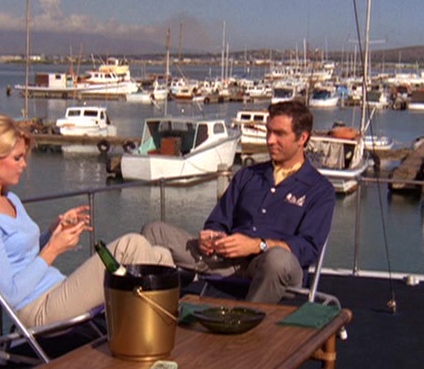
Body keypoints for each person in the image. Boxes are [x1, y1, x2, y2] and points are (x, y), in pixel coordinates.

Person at [0, 114, 173, 327]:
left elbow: (27, 254)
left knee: (160, 255)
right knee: (132, 246)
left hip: (56, 287)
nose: (24, 164)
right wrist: (53, 249)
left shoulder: (10, 199)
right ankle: (154, 330)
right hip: (36, 308)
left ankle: (161, 328)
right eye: (17, 158)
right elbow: (9, 295)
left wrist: (54, 231)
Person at [142, 101, 335, 303]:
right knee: (154, 231)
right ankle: (148, 309)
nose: (270, 140)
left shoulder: (320, 190)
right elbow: (218, 220)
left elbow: (308, 248)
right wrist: (211, 236)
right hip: (226, 260)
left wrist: (257, 246)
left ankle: (249, 317)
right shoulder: (248, 175)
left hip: (273, 268)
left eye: (279, 134)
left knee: (277, 260)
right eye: (268, 132)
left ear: (302, 138)